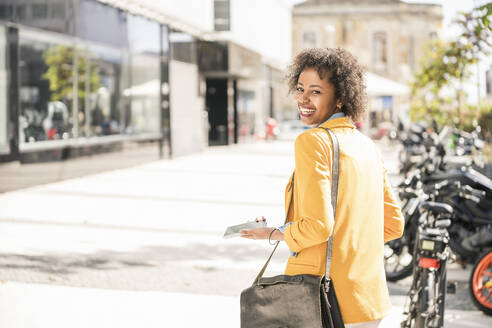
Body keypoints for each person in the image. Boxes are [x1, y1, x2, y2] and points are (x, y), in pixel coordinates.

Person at [239, 48, 404, 327]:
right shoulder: (367, 147)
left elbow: (318, 226)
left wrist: (272, 233)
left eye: (315, 91)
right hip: (368, 301)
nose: (303, 98)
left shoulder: (314, 142)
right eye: (300, 88)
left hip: (323, 301)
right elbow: (393, 225)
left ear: (340, 97)